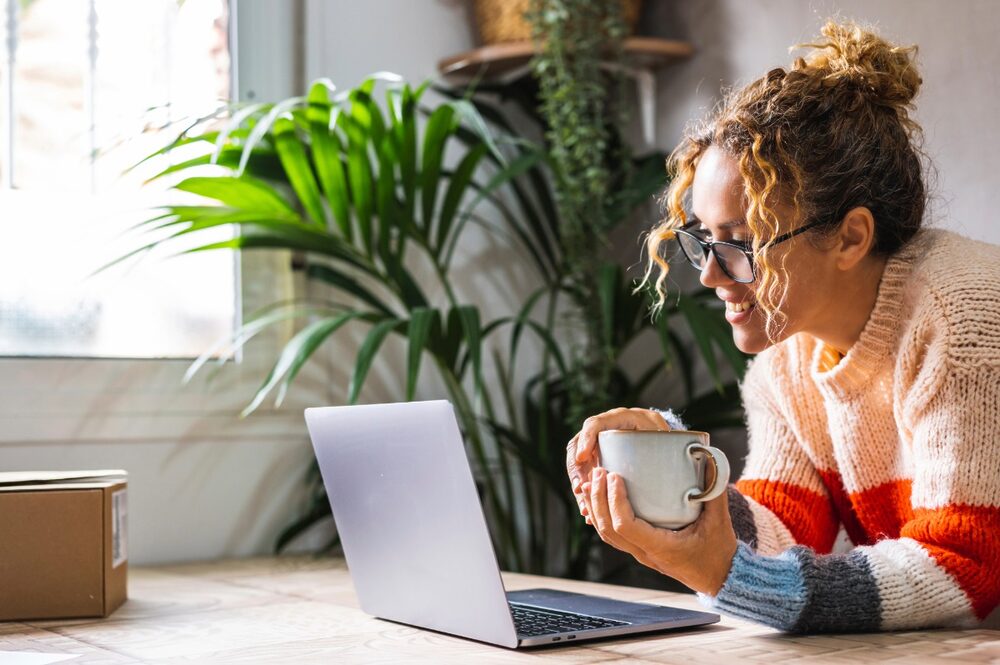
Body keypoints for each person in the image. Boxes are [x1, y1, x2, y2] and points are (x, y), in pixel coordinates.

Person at [565, 20, 1000, 633]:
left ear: (850, 236)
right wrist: (671, 473)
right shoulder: (786, 357)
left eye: (741, 243)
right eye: (704, 241)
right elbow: (783, 528)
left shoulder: (964, 324)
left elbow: (961, 568)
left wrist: (726, 577)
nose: (713, 277)